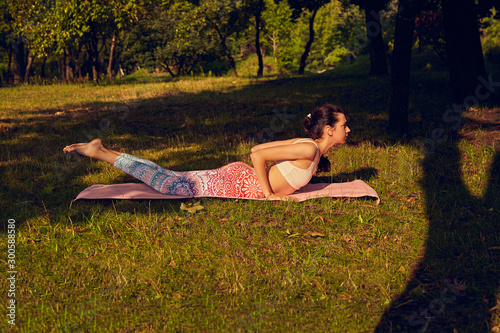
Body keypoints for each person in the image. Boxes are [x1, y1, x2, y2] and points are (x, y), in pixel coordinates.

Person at [63, 104, 350, 200]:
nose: (347, 130)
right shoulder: (307, 148)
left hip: (239, 178)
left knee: (168, 176)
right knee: (168, 184)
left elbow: (261, 151)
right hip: (236, 182)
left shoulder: (310, 148)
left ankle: (103, 150)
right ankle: (101, 152)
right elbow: (257, 153)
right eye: (344, 125)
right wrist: (269, 194)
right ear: (329, 130)